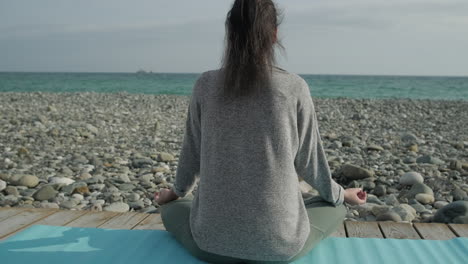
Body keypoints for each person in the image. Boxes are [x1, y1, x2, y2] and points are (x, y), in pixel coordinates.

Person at [154, 0, 367, 263]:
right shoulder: (294, 87)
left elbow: (191, 157)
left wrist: (172, 195)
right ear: (274, 35)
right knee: (335, 207)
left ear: (230, 34)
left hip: (210, 246)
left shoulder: (205, 85)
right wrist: (342, 194)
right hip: (278, 251)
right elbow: (312, 166)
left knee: (174, 208)